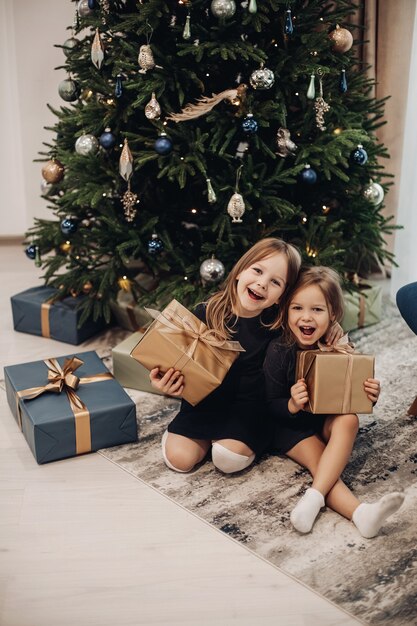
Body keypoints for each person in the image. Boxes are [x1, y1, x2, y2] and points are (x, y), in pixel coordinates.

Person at [264, 266, 405, 538]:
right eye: (297, 308)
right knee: (322, 465)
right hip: (288, 427)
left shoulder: (336, 346)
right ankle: (359, 513)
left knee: (349, 419)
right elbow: (270, 405)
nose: (306, 317)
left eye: (317, 310)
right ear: (286, 311)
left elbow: (347, 396)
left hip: (322, 419)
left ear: (333, 315)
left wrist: (367, 396)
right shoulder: (279, 350)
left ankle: (314, 497)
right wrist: (292, 404)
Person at [150, 237, 303, 475]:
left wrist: (332, 326)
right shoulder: (206, 311)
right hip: (203, 405)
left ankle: (236, 441)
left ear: (283, 295)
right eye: (258, 270)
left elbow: (313, 317)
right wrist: (164, 381)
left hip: (247, 410)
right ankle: (204, 439)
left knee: (227, 460)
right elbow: (176, 362)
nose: (262, 284)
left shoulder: (278, 327)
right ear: (241, 270)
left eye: (275, 282)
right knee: (180, 460)